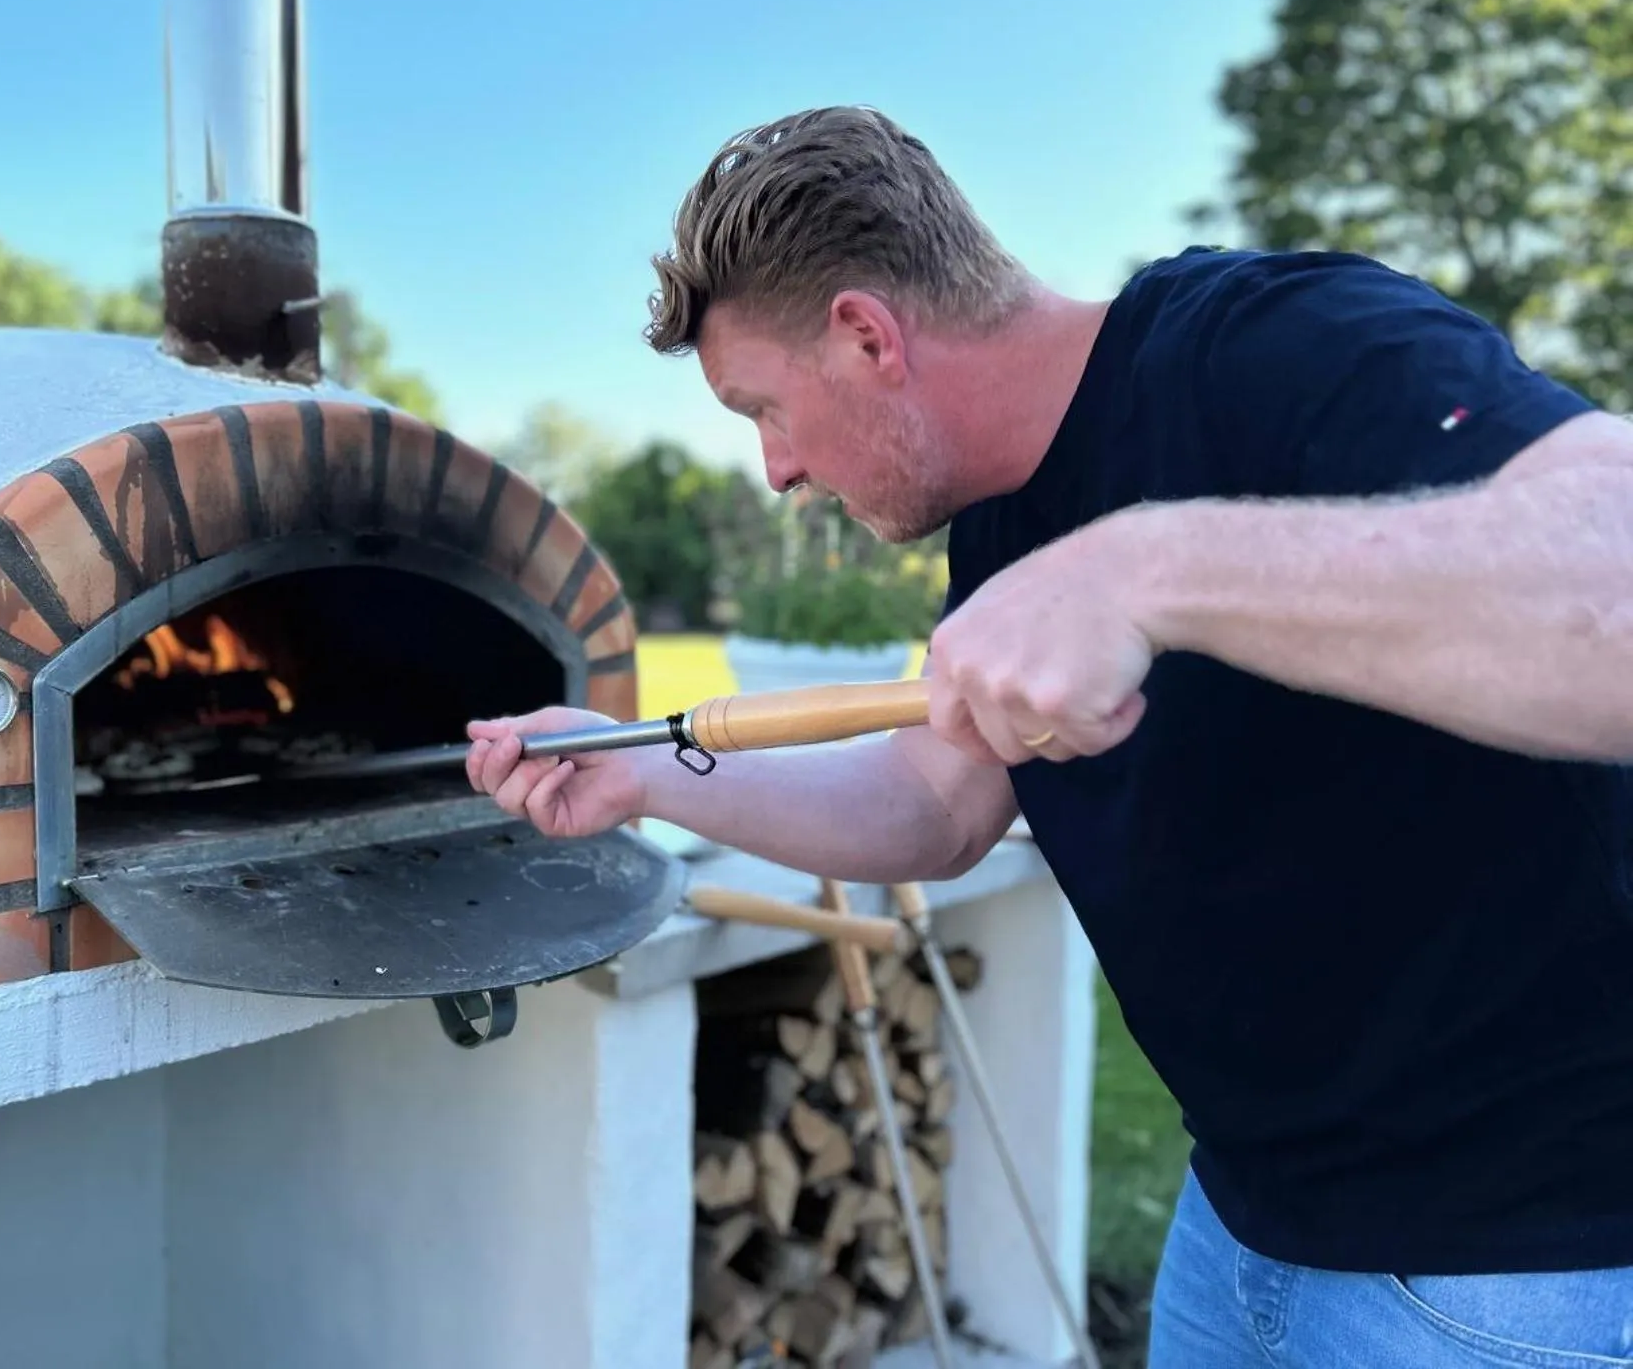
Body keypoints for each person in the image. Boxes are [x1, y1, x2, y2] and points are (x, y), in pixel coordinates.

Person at [465, 106, 1633, 1365]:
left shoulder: (1266, 342)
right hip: (1244, 1222)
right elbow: (937, 802)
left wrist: (1152, 567)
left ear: (866, 335)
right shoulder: (999, 524)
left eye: (765, 408)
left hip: (1513, 1269)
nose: (774, 472)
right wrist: (643, 775)